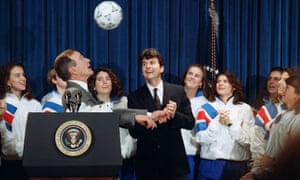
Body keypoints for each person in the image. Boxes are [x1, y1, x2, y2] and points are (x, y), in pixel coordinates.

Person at [127, 48, 195, 180]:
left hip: (175, 165)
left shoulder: (178, 91)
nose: (148, 67)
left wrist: (174, 115)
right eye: (144, 64)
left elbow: (190, 123)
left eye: (152, 62)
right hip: (148, 166)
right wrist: (149, 119)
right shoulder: (134, 97)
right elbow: (133, 133)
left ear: (162, 68)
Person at [53, 49, 159, 130]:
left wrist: (148, 114)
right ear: (73, 70)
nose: (88, 60)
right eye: (81, 58)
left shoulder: (85, 92)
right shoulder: (72, 93)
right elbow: (91, 117)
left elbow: (107, 111)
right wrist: (135, 117)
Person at [194, 71, 254, 180]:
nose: (220, 84)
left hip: (236, 165)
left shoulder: (245, 109)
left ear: (233, 86)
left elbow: (248, 141)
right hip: (209, 164)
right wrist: (217, 122)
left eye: (225, 81)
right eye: (218, 81)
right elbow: (200, 138)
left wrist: (230, 124)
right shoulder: (205, 108)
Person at [88, 67, 137, 180]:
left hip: (126, 161)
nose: (104, 82)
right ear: (94, 85)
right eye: (100, 79)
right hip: (99, 164)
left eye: (108, 79)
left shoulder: (124, 102)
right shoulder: (89, 109)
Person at [0, 62, 41, 180]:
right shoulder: (3, 103)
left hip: (34, 163)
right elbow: (4, 137)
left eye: (23, 75)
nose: (23, 78)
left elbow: (40, 134)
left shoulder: (35, 104)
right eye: (17, 75)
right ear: (8, 81)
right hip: (9, 165)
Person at [181, 64, 210, 180]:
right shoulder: (170, 97)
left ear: (201, 83)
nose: (192, 77)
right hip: (170, 154)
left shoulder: (205, 104)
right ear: (184, 77)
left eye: (197, 76)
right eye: (190, 73)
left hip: (191, 155)